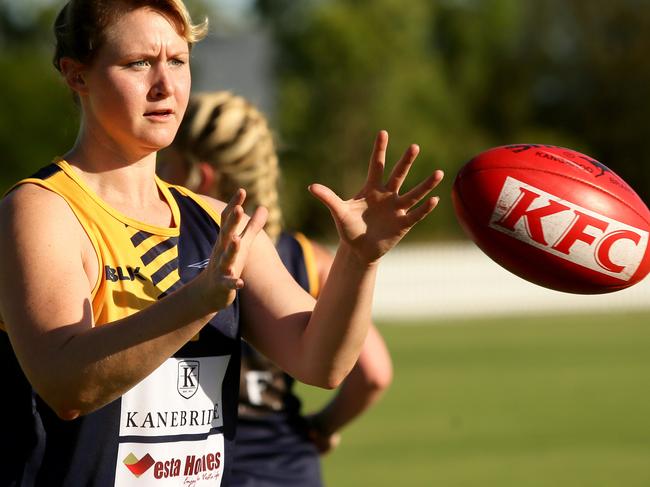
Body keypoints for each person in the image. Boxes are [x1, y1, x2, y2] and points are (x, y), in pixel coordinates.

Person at [0, 1, 444, 485]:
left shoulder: (215, 221)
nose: (165, 85)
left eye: (177, 61)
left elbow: (320, 361)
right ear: (76, 75)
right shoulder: (43, 210)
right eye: (138, 63)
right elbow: (67, 386)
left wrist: (359, 261)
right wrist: (197, 301)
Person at [158, 90, 394, 486]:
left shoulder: (165, 253)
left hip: (198, 467)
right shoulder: (305, 256)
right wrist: (320, 427)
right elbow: (374, 374)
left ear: (203, 175)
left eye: (167, 162)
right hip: (288, 467)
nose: (159, 174)